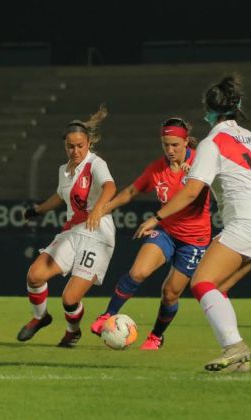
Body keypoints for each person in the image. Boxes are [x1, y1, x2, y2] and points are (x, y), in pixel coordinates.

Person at [135, 74, 251, 372]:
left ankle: (234, 346)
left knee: (201, 282)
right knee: (217, 288)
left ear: (209, 110)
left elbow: (192, 190)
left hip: (249, 221)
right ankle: (238, 359)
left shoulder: (212, 143)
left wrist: (156, 216)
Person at [89, 117, 211, 350]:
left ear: (186, 142)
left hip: (194, 241)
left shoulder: (200, 164)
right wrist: (103, 209)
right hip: (167, 231)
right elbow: (132, 191)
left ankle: (156, 336)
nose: (170, 150)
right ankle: (108, 315)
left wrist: (156, 218)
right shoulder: (158, 168)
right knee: (138, 271)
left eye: (175, 144)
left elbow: (197, 193)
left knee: (170, 294)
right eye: (165, 144)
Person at [16, 105, 116, 348]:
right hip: (73, 231)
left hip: (98, 234)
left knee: (70, 298)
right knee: (35, 275)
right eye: (70, 146)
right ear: (65, 146)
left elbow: (110, 187)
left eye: (80, 145)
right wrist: (37, 210)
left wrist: (99, 209)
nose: (75, 151)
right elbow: (60, 196)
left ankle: (73, 331)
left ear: (88, 143)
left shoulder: (95, 163)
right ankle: (40, 317)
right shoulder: (65, 170)